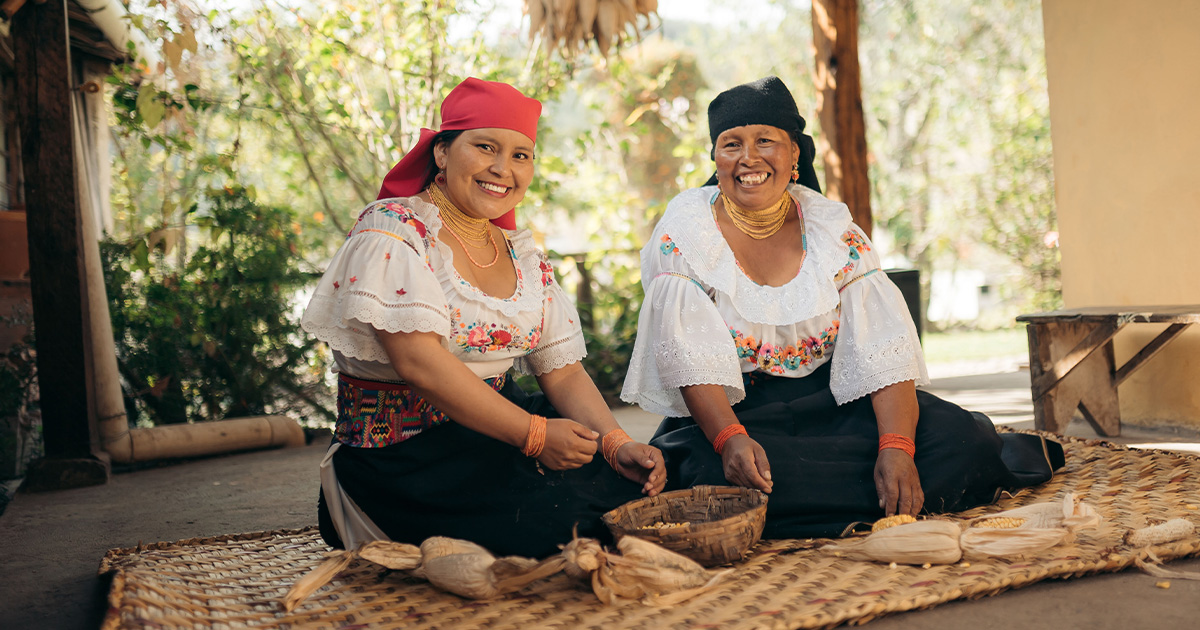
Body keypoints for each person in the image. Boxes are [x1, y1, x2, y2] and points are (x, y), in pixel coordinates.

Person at [620, 76, 1062, 539]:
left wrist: (896, 447)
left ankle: (809, 501)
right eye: (731, 144)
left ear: (795, 155)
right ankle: (849, 495)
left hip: (838, 402)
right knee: (705, 473)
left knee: (962, 441)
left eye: (765, 141)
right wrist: (731, 440)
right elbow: (691, 359)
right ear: (716, 158)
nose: (748, 158)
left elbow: (882, 349)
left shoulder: (836, 233)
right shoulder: (687, 234)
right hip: (735, 415)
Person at [301, 77, 666, 558]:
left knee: (637, 502)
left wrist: (616, 443)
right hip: (404, 458)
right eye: (486, 147)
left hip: (498, 434)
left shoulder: (520, 254)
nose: (503, 168)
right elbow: (420, 364)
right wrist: (535, 435)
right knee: (566, 533)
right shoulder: (394, 231)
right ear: (442, 153)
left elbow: (562, 370)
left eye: (521, 155)